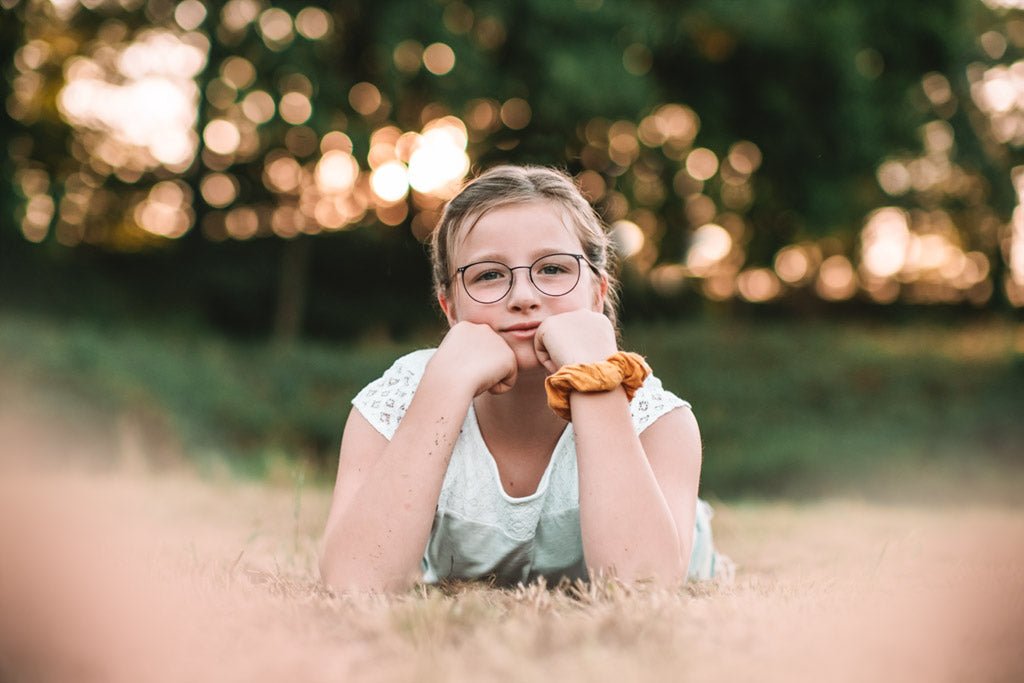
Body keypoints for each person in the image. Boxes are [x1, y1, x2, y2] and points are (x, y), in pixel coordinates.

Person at [320, 165, 725, 593]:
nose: (524, 297)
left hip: (671, 536)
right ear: (450, 308)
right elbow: (354, 583)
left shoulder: (659, 421)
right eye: (489, 275)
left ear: (598, 293)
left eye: (552, 269)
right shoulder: (392, 404)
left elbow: (642, 589)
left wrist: (595, 380)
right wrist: (445, 387)